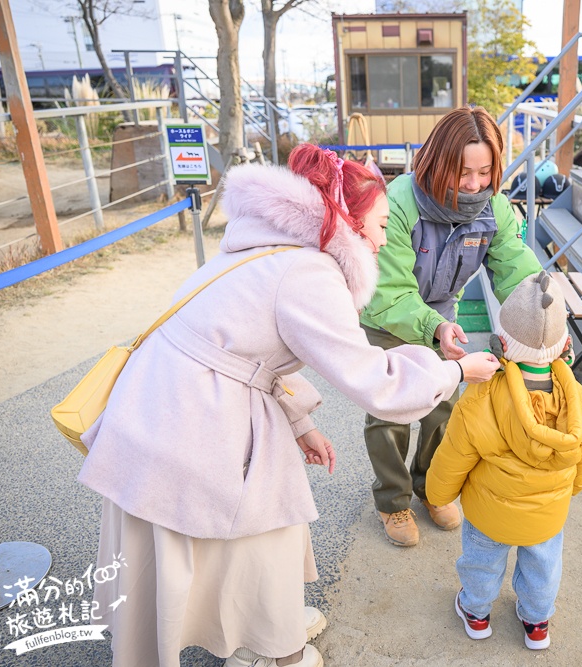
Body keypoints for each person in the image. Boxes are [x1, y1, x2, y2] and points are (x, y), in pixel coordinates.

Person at [76, 145, 500, 667]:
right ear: (348, 216)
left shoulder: (270, 246)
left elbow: (244, 346)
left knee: (244, 532)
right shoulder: (310, 273)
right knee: (265, 530)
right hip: (190, 419)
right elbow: (374, 379)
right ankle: (276, 649)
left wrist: (298, 422)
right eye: (381, 223)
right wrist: (458, 370)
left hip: (170, 404)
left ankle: (259, 628)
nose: (385, 238)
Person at [358, 106, 543, 547]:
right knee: (392, 411)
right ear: (438, 161)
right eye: (463, 172)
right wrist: (434, 327)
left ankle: (430, 489)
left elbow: (517, 269)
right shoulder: (399, 201)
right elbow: (390, 293)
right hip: (389, 314)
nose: (475, 185)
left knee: (444, 406)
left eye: (484, 172)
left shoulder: (494, 208)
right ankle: (392, 499)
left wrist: (544, 321)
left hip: (442, 313)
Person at [426, 271, 582, 651]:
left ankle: (476, 614)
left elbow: (454, 455)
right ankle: (537, 623)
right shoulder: (580, 402)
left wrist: (437, 494)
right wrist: (574, 488)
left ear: (501, 342)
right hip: (548, 514)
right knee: (543, 568)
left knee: (482, 562)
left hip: (490, 511)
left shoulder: (480, 397)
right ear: (565, 345)